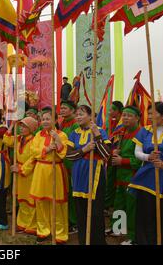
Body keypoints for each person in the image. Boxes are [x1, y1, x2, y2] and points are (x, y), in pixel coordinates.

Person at [128, 102, 163, 245]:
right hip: (147, 178)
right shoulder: (144, 131)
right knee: (146, 213)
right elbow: (137, 152)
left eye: (153, 113)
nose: (150, 116)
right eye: (149, 113)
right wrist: (148, 157)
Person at [66, 105, 111, 245]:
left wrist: (97, 134)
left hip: (95, 177)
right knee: (81, 213)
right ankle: (83, 241)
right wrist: (84, 150)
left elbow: (106, 154)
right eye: (77, 114)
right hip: (79, 176)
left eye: (82, 114)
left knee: (96, 213)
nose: (78, 117)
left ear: (91, 116)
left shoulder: (100, 131)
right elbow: (69, 156)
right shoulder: (74, 133)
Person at [23, 110, 69, 243]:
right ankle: (43, 230)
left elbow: (63, 152)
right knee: (41, 202)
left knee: (58, 203)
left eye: (48, 119)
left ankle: (60, 233)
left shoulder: (62, 134)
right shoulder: (38, 135)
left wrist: (58, 141)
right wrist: (47, 149)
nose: (45, 121)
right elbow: (33, 151)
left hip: (55, 170)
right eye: (43, 119)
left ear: (55, 120)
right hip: (41, 170)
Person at [107, 106, 142, 245]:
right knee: (119, 203)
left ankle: (133, 237)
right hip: (120, 175)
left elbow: (141, 160)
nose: (126, 118)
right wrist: (114, 152)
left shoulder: (141, 134)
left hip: (133, 177)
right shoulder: (121, 132)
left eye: (129, 115)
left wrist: (123, 161)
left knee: (132, 207)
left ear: (137, 118)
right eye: (125, 115)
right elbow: (113, 147)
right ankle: (117, 228)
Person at [4, 117, 38, 235]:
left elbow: (34, 158)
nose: (21, 128)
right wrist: (12, 125)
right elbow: (6, 140)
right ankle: (22, 223)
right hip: (19, 173)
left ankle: (32, 225)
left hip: (30, 173)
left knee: (31, 200)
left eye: (24, 126)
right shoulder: (19, 138)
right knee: (21, 198)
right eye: (21, 126)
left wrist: (21, 169)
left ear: (31, 129)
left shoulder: (34, 140)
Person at [58, 100, 79, 233]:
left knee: (72, 193)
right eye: (62, 108)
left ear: (72, 110)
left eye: (65, 108)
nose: (62, 110)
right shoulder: (62, 123)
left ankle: (74, 222)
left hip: (72, 164)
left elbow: (74, 145)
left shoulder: (75, 125)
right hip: (63, 163)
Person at [105, 101, 125, 211]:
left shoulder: (122, 125)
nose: (109, 112)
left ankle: (109, 205)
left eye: (112, 109)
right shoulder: (112, 123)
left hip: (118, 157)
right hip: (111, 155)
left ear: (118, 111)